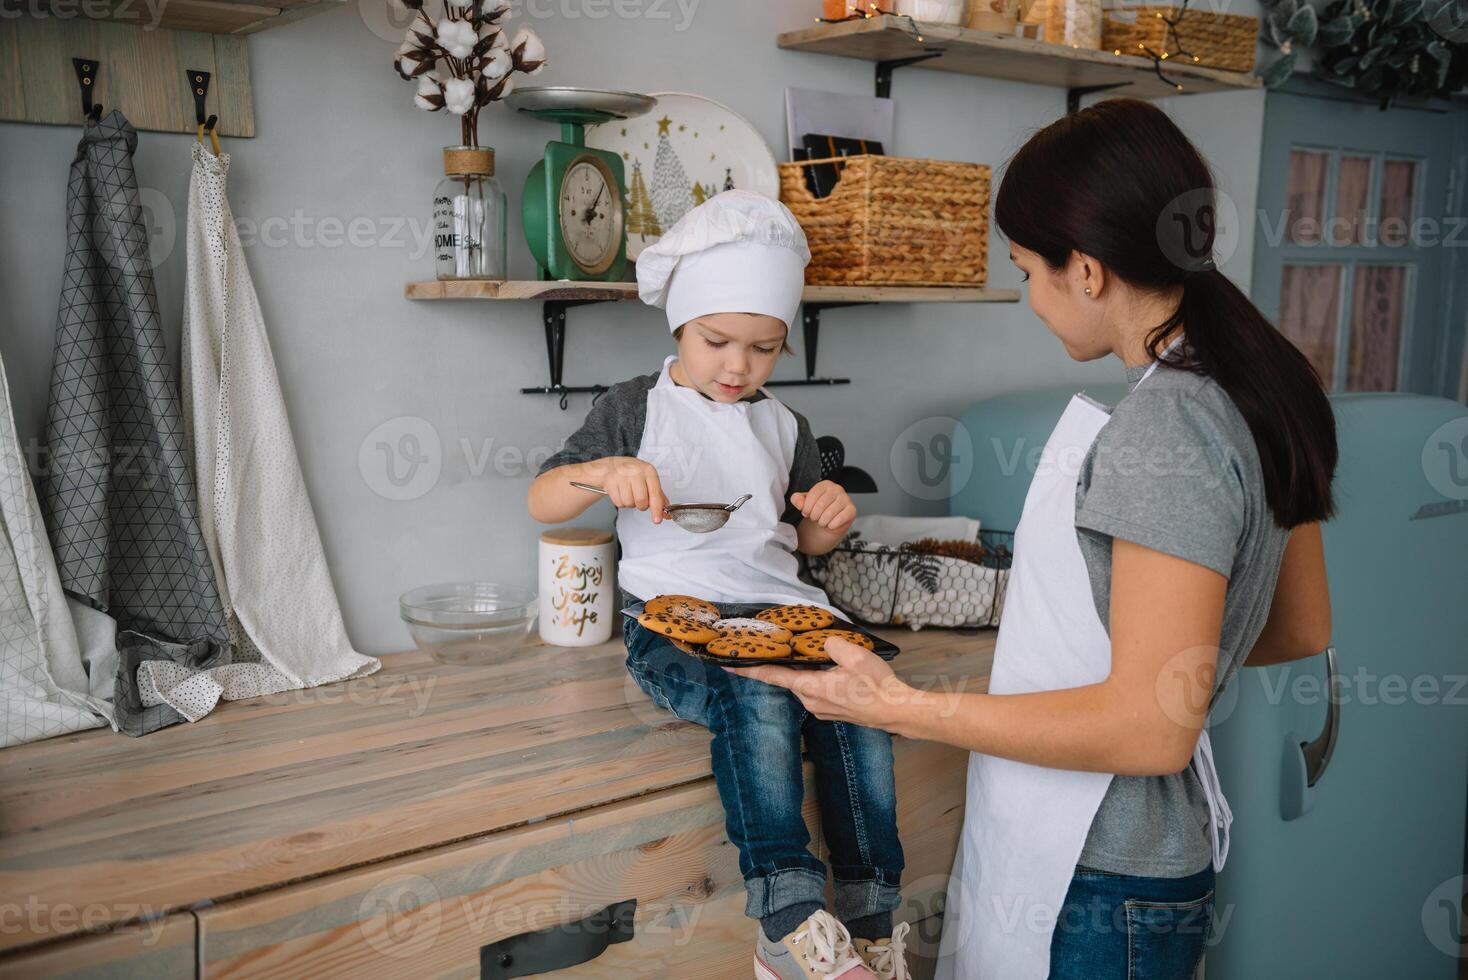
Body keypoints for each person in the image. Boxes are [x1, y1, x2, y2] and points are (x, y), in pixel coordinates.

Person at [730, 99, 1338, 980]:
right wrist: (1151, 655)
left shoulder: (1164, 429)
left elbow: (1149, 728)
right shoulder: (1264, 381)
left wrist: (902, 707)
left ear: (1087, 270)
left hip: (1099, 874)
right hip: (1155, 862)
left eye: (1026, 271)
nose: (1027, 297)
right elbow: (1299, 626)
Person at [528, 191, 909, 980]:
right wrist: (600, 472)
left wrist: (829, 520)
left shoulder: (786, 427)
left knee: (863, 699)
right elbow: (542, 498)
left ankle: (869, 923)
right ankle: (789, 919)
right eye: (717, 341)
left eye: (764, 349)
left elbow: (798, 539)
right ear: (680, 325)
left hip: (788, 610)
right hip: (674, 620)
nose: (739, 366)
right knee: (759, 690)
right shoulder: (632, 407)